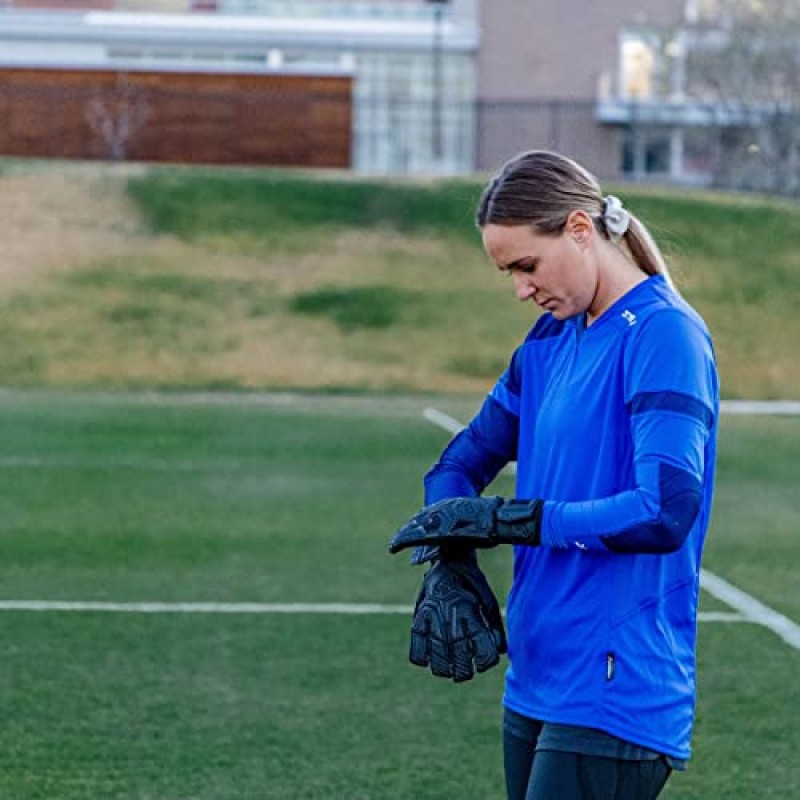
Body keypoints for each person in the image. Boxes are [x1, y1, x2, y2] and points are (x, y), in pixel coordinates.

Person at [389, 150, 719, 800]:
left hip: (616, 682)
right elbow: (459, 464)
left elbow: (664, 511)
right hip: (537, 670)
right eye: (507, 272)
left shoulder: (664, 335)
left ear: (577, 229)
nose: (520, 287)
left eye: (526, 265)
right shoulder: (547, 340)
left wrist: (510, 520)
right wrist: (451, 557)